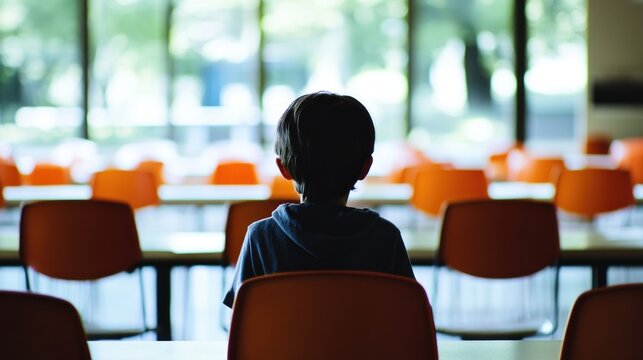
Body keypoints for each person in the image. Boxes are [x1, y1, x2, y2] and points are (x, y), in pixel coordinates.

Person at [223, 91, 414, 308]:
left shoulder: (260, 238)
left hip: (283, 344)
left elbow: (244, 323)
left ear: (283, 169)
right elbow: (406, 317)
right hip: (363, 344)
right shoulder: (385, 238)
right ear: (365, 168)